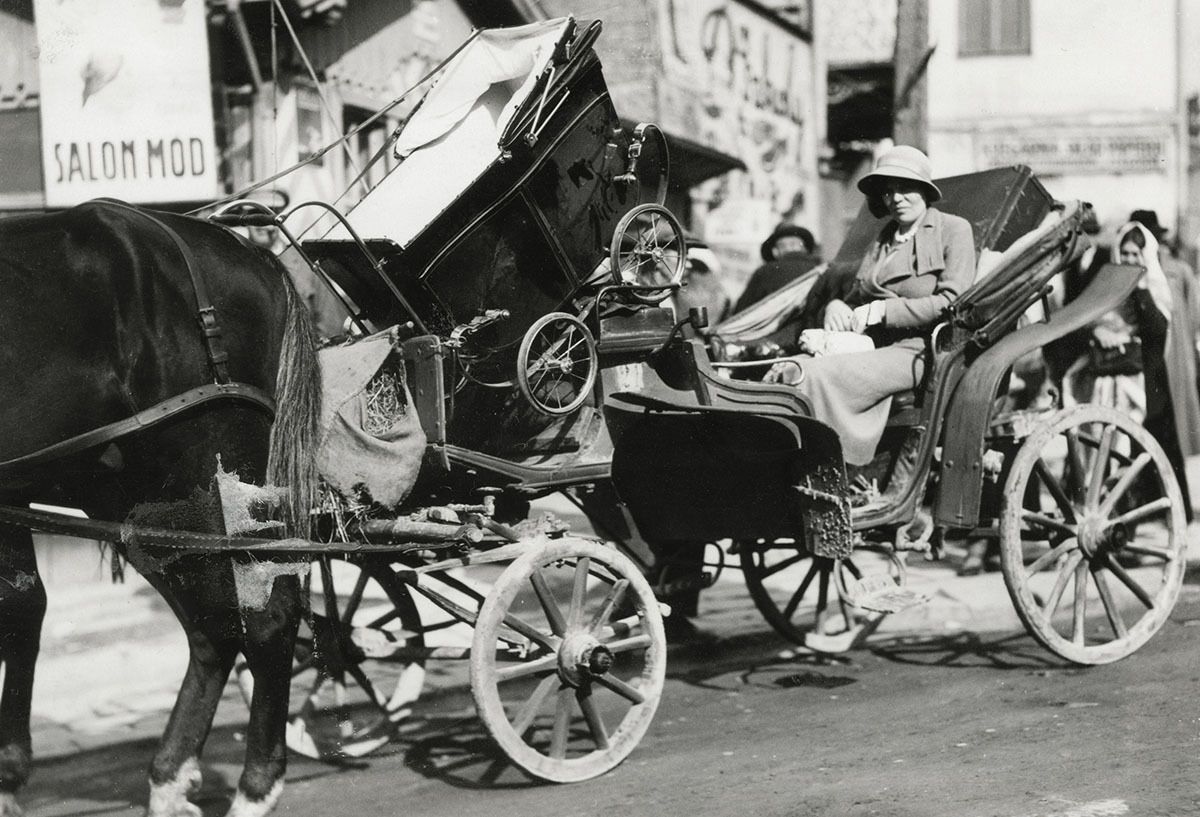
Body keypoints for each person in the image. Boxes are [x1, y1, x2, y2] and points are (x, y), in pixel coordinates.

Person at [764, 145, 975, 493]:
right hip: (866, 344)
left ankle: (828, 477)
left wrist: (883, 311)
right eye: (888, 190)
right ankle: (782, 474)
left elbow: (954, 303)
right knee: (788, 369)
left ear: (924, 190)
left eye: (905, 187)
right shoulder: (884, 237)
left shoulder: (952, 230)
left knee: (814, 375)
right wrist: (837, 307)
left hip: (919, 350)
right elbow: (857, 296)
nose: (896, 198)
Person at [1063, 220, 1192, 521]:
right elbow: (1081, 318)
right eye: (1126, 254)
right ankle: (1097, 514)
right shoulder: (1103, 283)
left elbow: (1157, 331)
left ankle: (1128, 519)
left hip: (1141, 384)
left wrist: (1140, 289)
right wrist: (1096, 334)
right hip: (1103, 381)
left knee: (1131, 453)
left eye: (1137, 254)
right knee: (1097, 450)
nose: (1131, 260)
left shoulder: (1154, 289)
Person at [733, 223, 821, 313]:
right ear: (804, 247)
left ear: (775, 252)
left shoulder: (764, 272)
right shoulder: (821, 270)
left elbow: (741, 310)